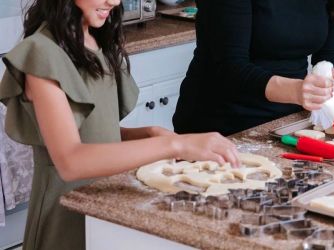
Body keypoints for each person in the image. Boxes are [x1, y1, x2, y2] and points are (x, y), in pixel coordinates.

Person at [0, 0, 239, 249]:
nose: (114, 1)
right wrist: (174, 144)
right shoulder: (42, 53)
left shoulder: (94, 39)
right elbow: (71, 160)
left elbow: (94, 132)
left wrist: (148, 135)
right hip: (64, 218)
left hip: (105, 207)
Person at [173, 0, 334, 138]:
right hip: (221, 124)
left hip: (286, 123)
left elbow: (332, 55)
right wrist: (297, 91)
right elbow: (231, 67)